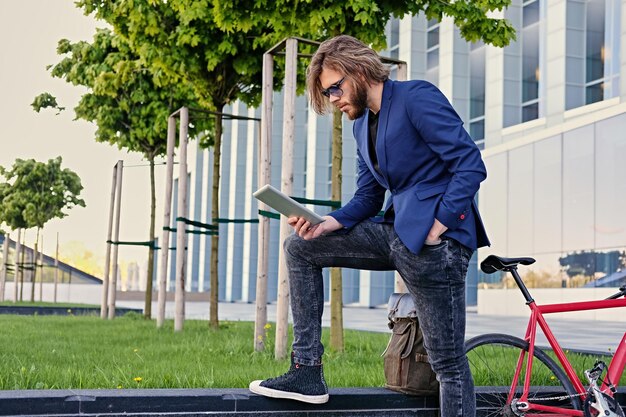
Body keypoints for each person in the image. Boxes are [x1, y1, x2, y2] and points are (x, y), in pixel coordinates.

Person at [249, 34, 489, 417]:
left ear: (358, 70)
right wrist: (326, 223)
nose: (333, 100)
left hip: (436, 247)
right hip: (393, 234)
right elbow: (367, 198)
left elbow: (470, 164)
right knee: (300, 247)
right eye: (327, 93)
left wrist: (439, 225)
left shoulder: (416, 97)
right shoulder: (361, 126)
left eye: (334, 88)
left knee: (446, 364)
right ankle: (307, 370)